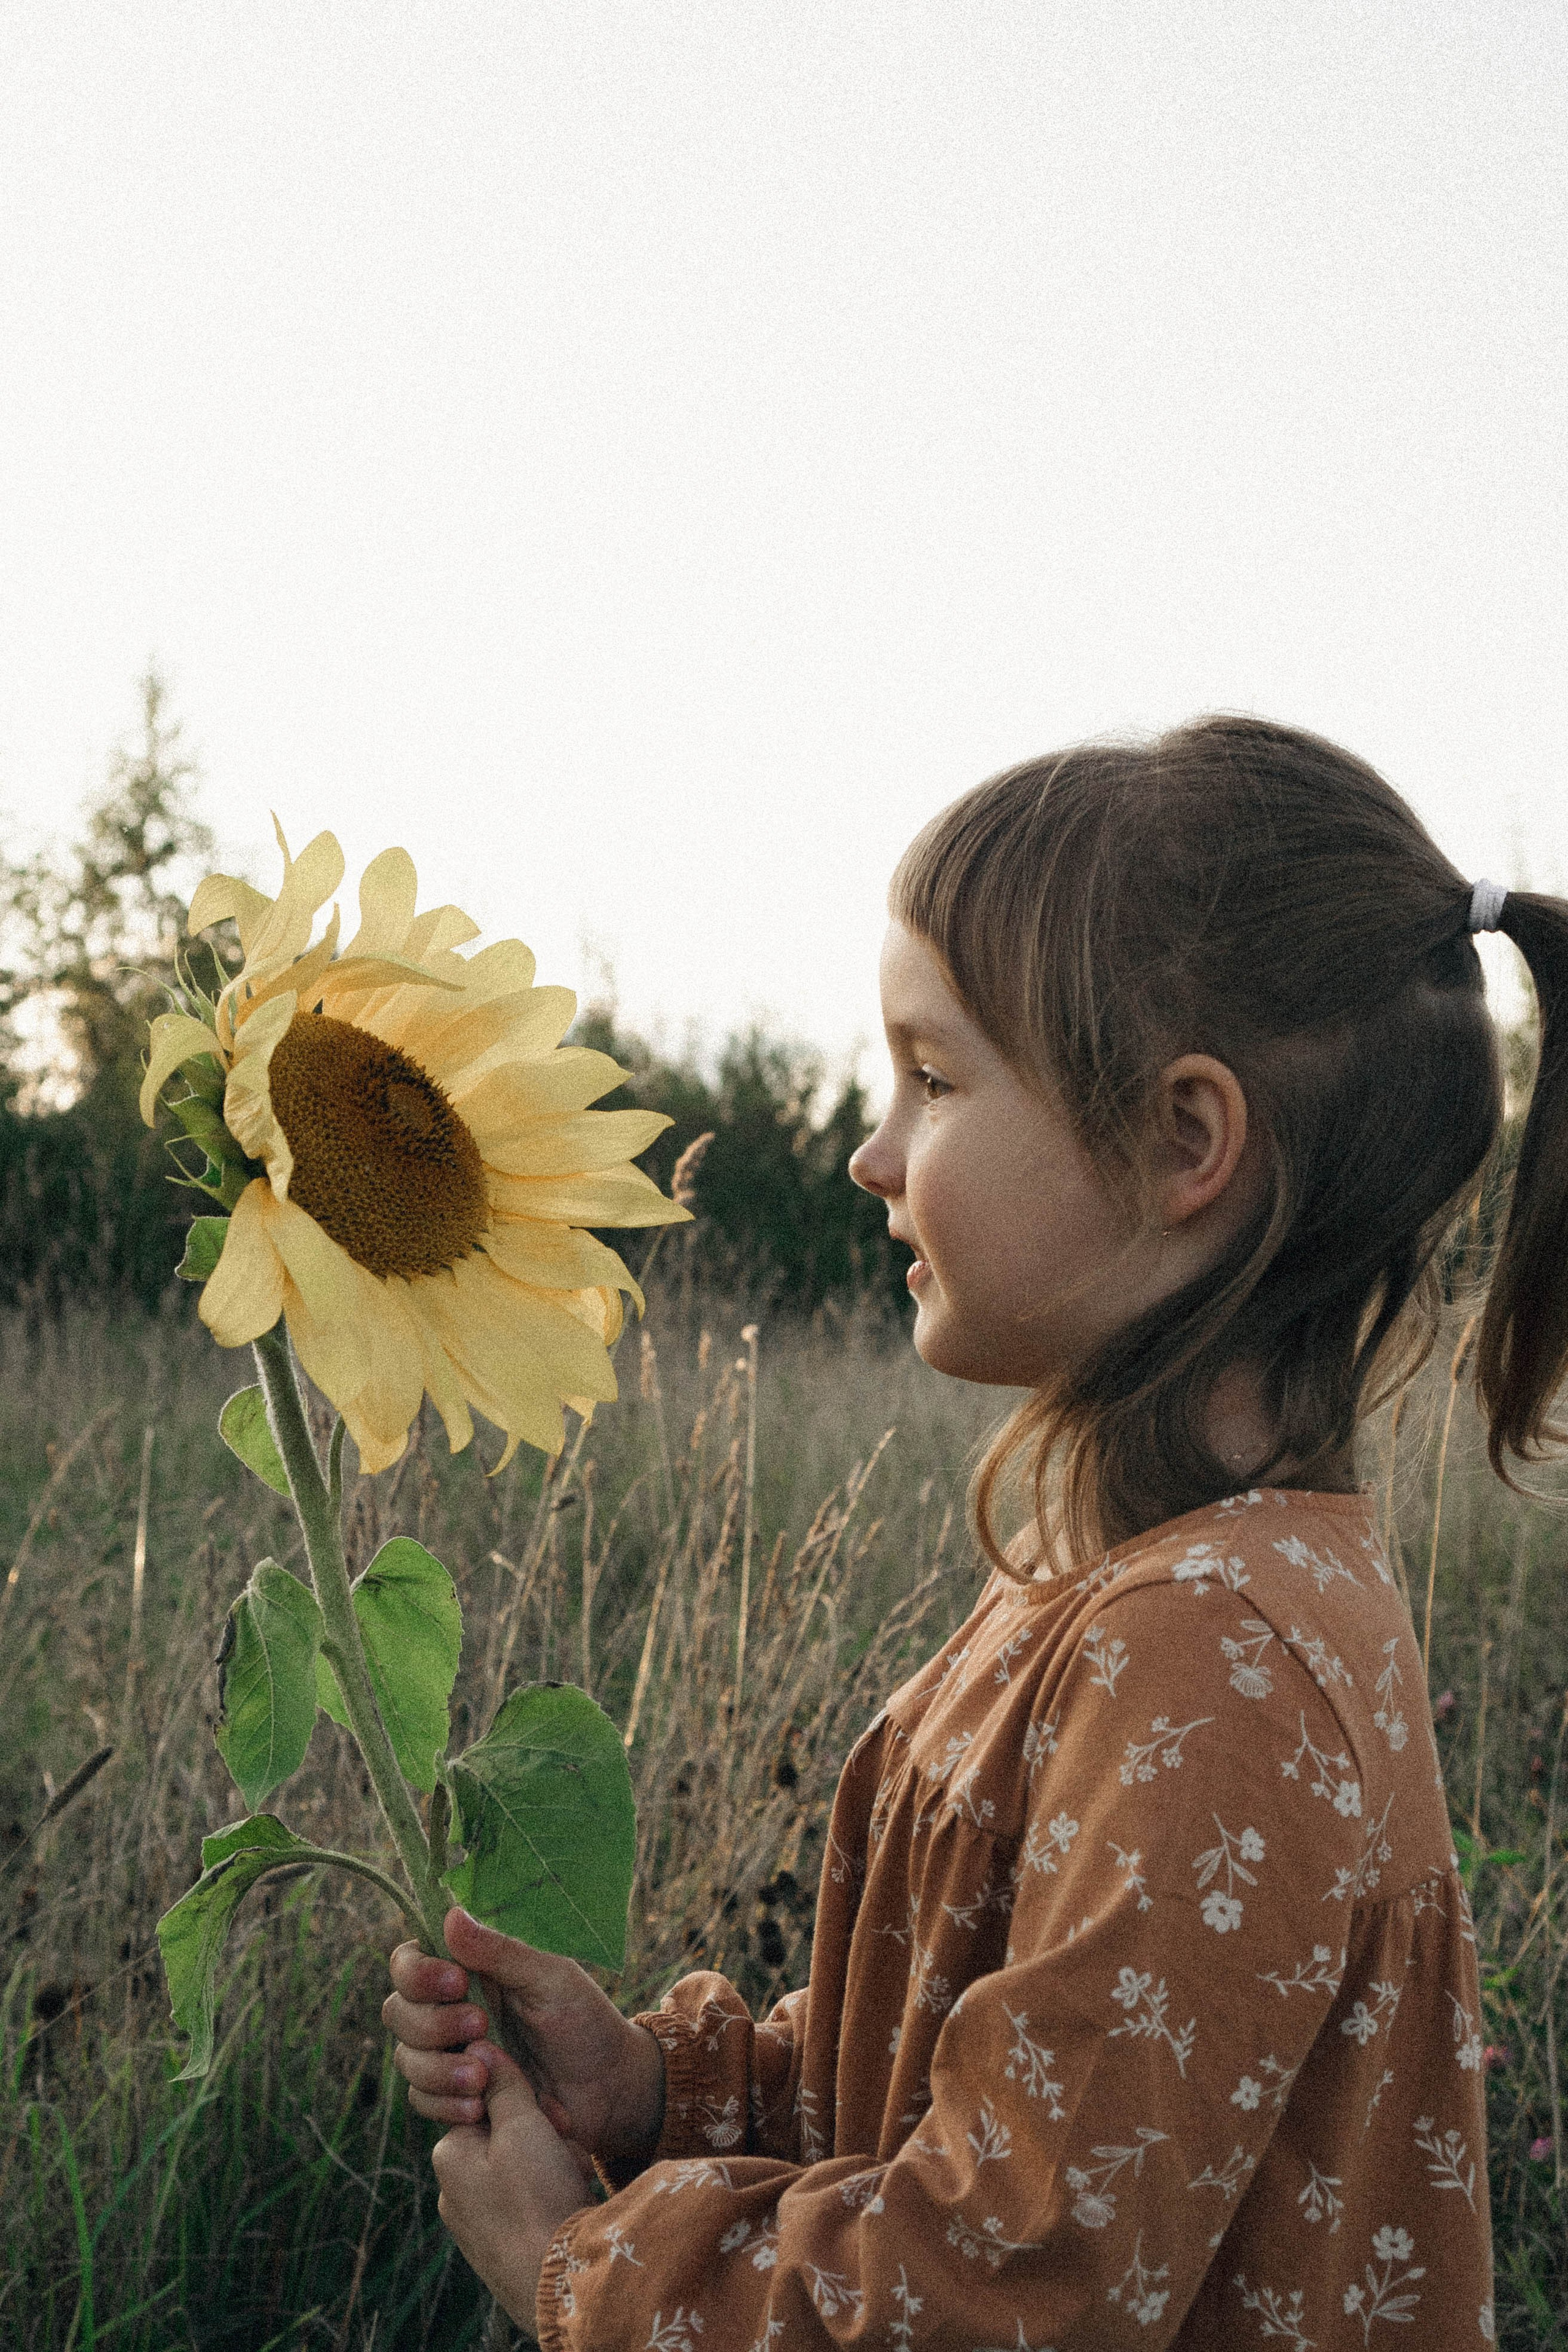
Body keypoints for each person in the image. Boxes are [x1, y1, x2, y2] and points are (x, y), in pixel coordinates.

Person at [384, 717, 1550, 2346]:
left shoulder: (1211, 1661)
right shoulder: (1131, 1591)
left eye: (932, 1079)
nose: (872, 1153)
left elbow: (1005, 2287)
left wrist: (577, 2270)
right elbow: (958, 2087)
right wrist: (661, 2089)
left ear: (1184, 1145)